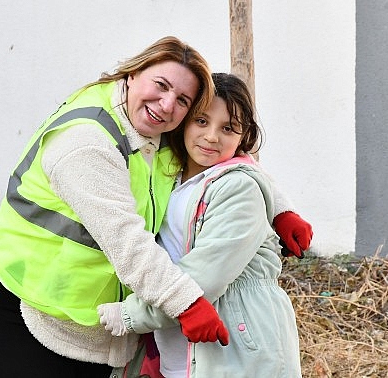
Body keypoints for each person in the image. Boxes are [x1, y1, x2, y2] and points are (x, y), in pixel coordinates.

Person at [0, 36, 310, 377]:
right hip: (20, 298)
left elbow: (233, 156)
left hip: (89, 315)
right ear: (132, 74)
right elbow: (127, 240)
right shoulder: (88, 143)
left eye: (183, 100)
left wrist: (280, 208)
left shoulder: (158, 128)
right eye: (160, 85)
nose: (166, 104)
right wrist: (185, 303)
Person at [99, 73, 303, 377]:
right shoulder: (166, 174)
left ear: (243, 136)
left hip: (236, 347)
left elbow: (206, 273)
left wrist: (131, 314)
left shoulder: (239, 188)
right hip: (177, 346)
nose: (211, 137)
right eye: (202, 121)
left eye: (228, 128)